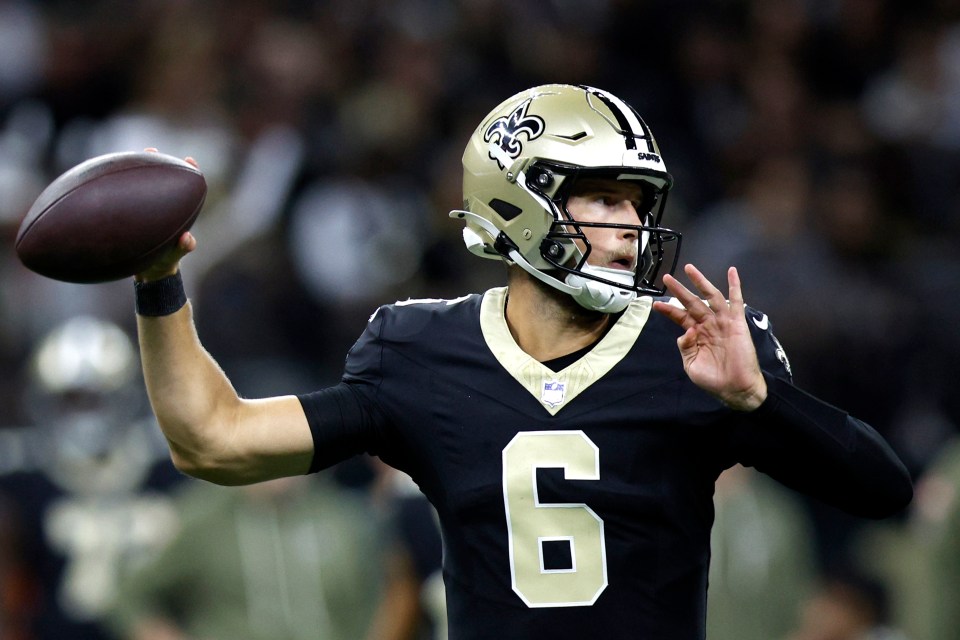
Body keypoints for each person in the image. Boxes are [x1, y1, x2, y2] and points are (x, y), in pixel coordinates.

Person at [131, 84, 912, 639]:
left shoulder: (691, 349)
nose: (630, 229)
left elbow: (883, 491)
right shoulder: (420, 351)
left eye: (640, 206)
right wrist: (160, 281)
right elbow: (213, 438)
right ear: (519, 202)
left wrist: (760, 401)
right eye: (605, 199)